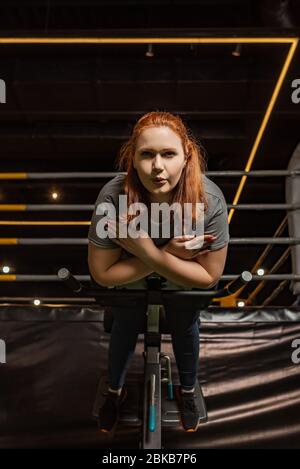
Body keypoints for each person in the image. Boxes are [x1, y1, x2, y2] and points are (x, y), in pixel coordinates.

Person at [88, 111, 229, 433]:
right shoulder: (114, 196)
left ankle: (189, 390)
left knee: (185, 322)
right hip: (135, 278)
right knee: (125, 322)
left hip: (169, 278)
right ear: (133, 159)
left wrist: (146, 249)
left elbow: (209, 276)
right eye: (147, 154)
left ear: (186, 156)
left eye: (168, 154)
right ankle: (114, 390)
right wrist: (167, 255)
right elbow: (101, 274)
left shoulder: (209, 198)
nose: (157, 167)